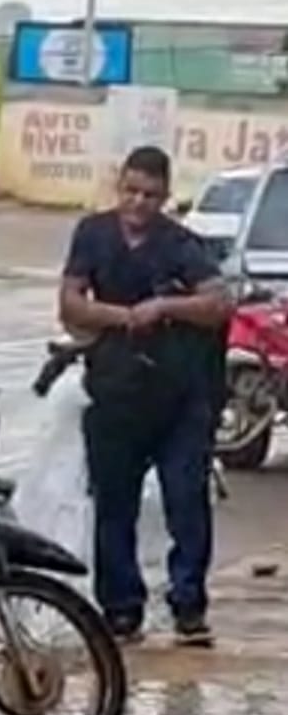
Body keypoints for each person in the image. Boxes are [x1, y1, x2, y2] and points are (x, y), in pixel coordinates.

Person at [60, 146, 232, 647]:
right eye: (131, 191)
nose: (138, 203)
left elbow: (219, 303)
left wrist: (164, 306)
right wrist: (121, 317)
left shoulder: (180, 244)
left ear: (165, 196)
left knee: (187, 502)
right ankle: (120, 608)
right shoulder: (92, 234)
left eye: (150, 195)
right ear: (119, 186)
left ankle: (188, 604)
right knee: (114, 506)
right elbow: (69, 303)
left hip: (180, 400)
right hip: (114, 394)